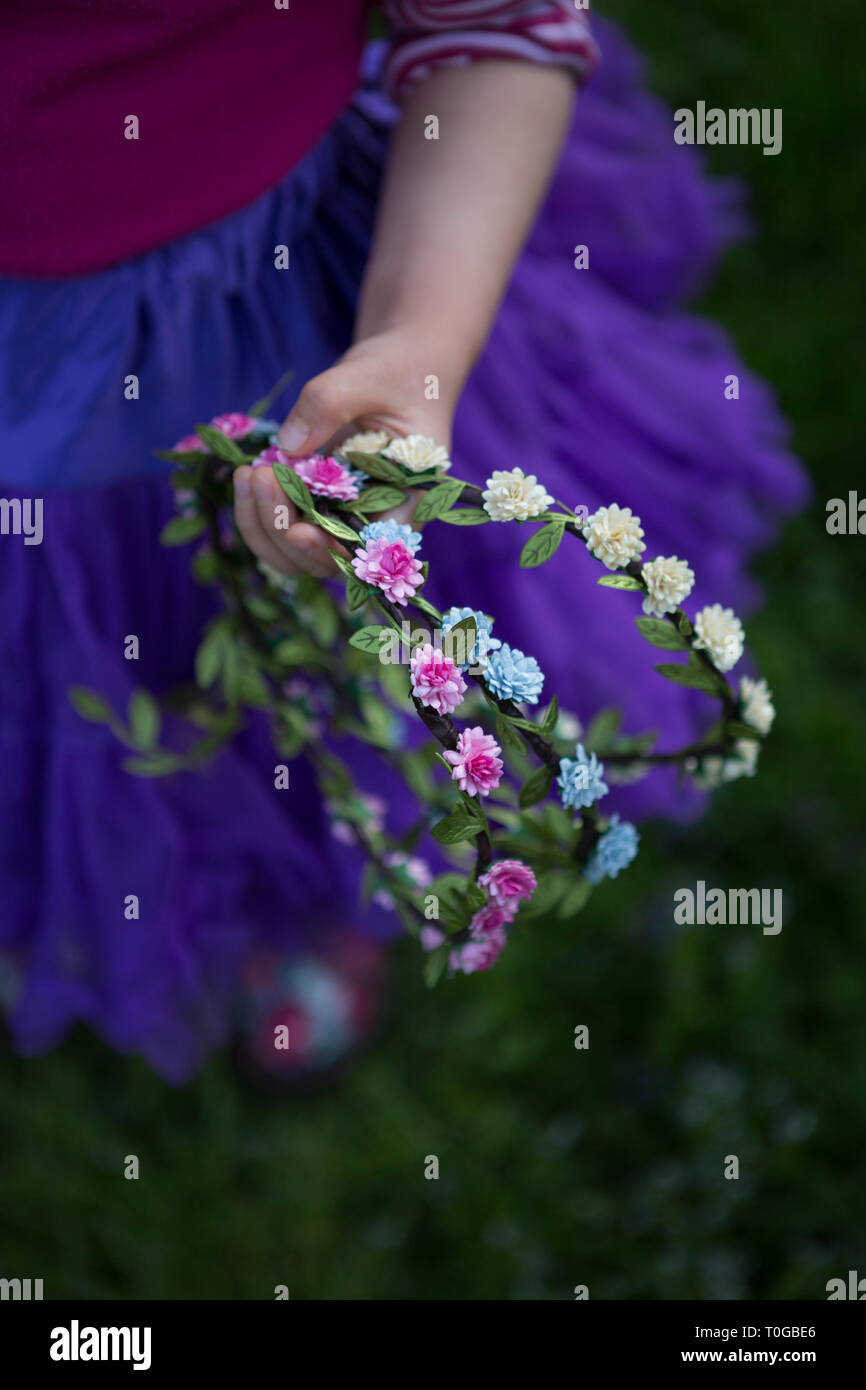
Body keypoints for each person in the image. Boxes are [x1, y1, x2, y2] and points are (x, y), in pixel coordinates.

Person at [0, 2, 807, 1084]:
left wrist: (418, 341)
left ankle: (296, 887)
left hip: (275, 288)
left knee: (277, 641)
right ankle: (61, 884)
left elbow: (499, 24)